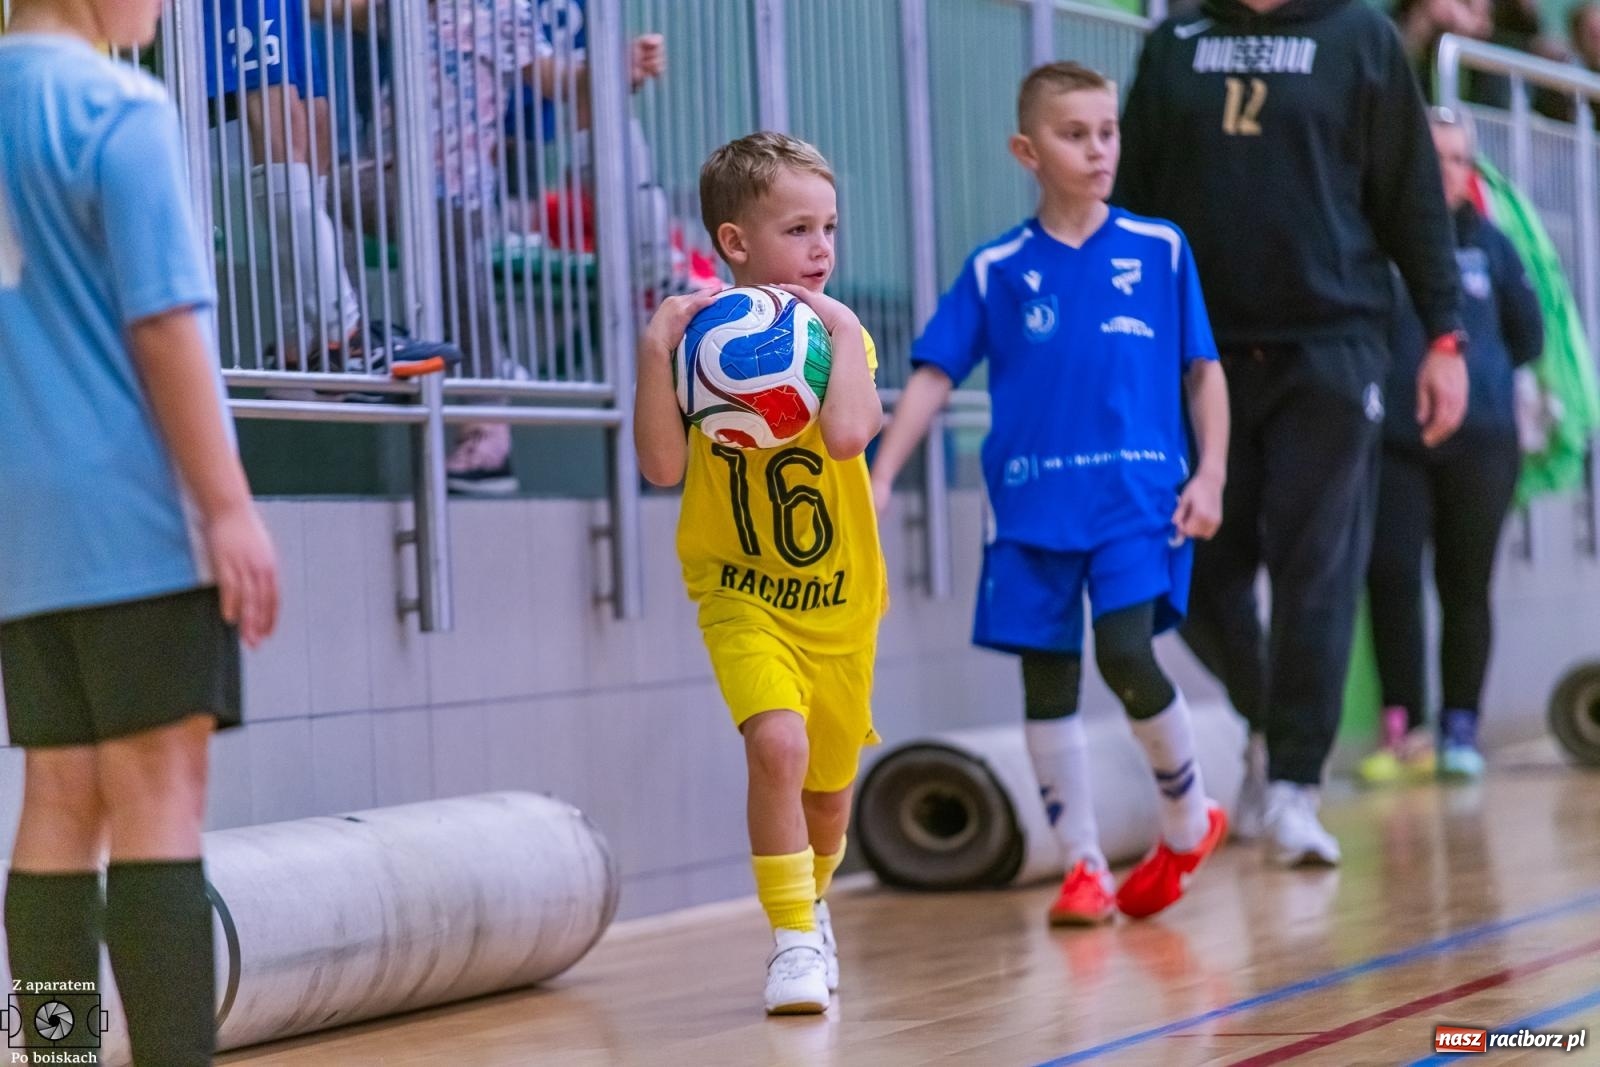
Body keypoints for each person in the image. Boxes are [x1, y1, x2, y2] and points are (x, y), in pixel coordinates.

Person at [871, 62, 1231, 925]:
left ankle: (1188, 815)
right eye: (1077, 134)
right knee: (1047, 684)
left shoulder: (1160, 249)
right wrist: (881, 474)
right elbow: (930, 374)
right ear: (1027, 150)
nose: (1099, 149)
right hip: (1031, 506)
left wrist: (1211, 471)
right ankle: (1083, 868)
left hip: (1136, 499)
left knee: (1127, 653)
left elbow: (1203, 372)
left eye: (1108, 131)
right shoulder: (998, 267)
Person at [1114, 0, 1467, 867]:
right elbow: (1131, 201)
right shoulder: (1176, 44)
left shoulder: (1360, 36)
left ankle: (1296, 784)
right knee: (1193, 562)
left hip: (1333, 342)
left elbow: (1411, 196)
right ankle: (1268, 721)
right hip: (1199, 350)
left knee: (1319, 567)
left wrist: (1446, 338)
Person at [0, 2, 280, 1063]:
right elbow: (162, 322)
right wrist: (227, 504)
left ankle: (56, 1057)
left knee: (58, 799)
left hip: (19, 525)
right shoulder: (117, 106)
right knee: (159, 796)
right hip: (131, 506)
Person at [633, 132, 885, 1014]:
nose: (822, 250)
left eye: (830, 229)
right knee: (774, 745)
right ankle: (788, 944)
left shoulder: (834, 335)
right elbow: (662, 468)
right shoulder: (699, 339)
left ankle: (812, 902)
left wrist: (844, 326)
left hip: (842, 602)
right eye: (799, 230)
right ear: (734, 243)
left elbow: (851, 435)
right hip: (740, 592)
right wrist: (654, 351)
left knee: (827, 795)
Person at [1360, 108, 1543, 785]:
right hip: (1395, 444)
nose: (1446, 172)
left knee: (1465, 586)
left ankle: (1462, 723)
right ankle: (1403, 728)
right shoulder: (1373, 245)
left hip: (1482, 443)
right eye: (1433, 157)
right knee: (1391, 579)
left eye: (1458, 159)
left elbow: (1529, 338)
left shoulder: (1493, 246)